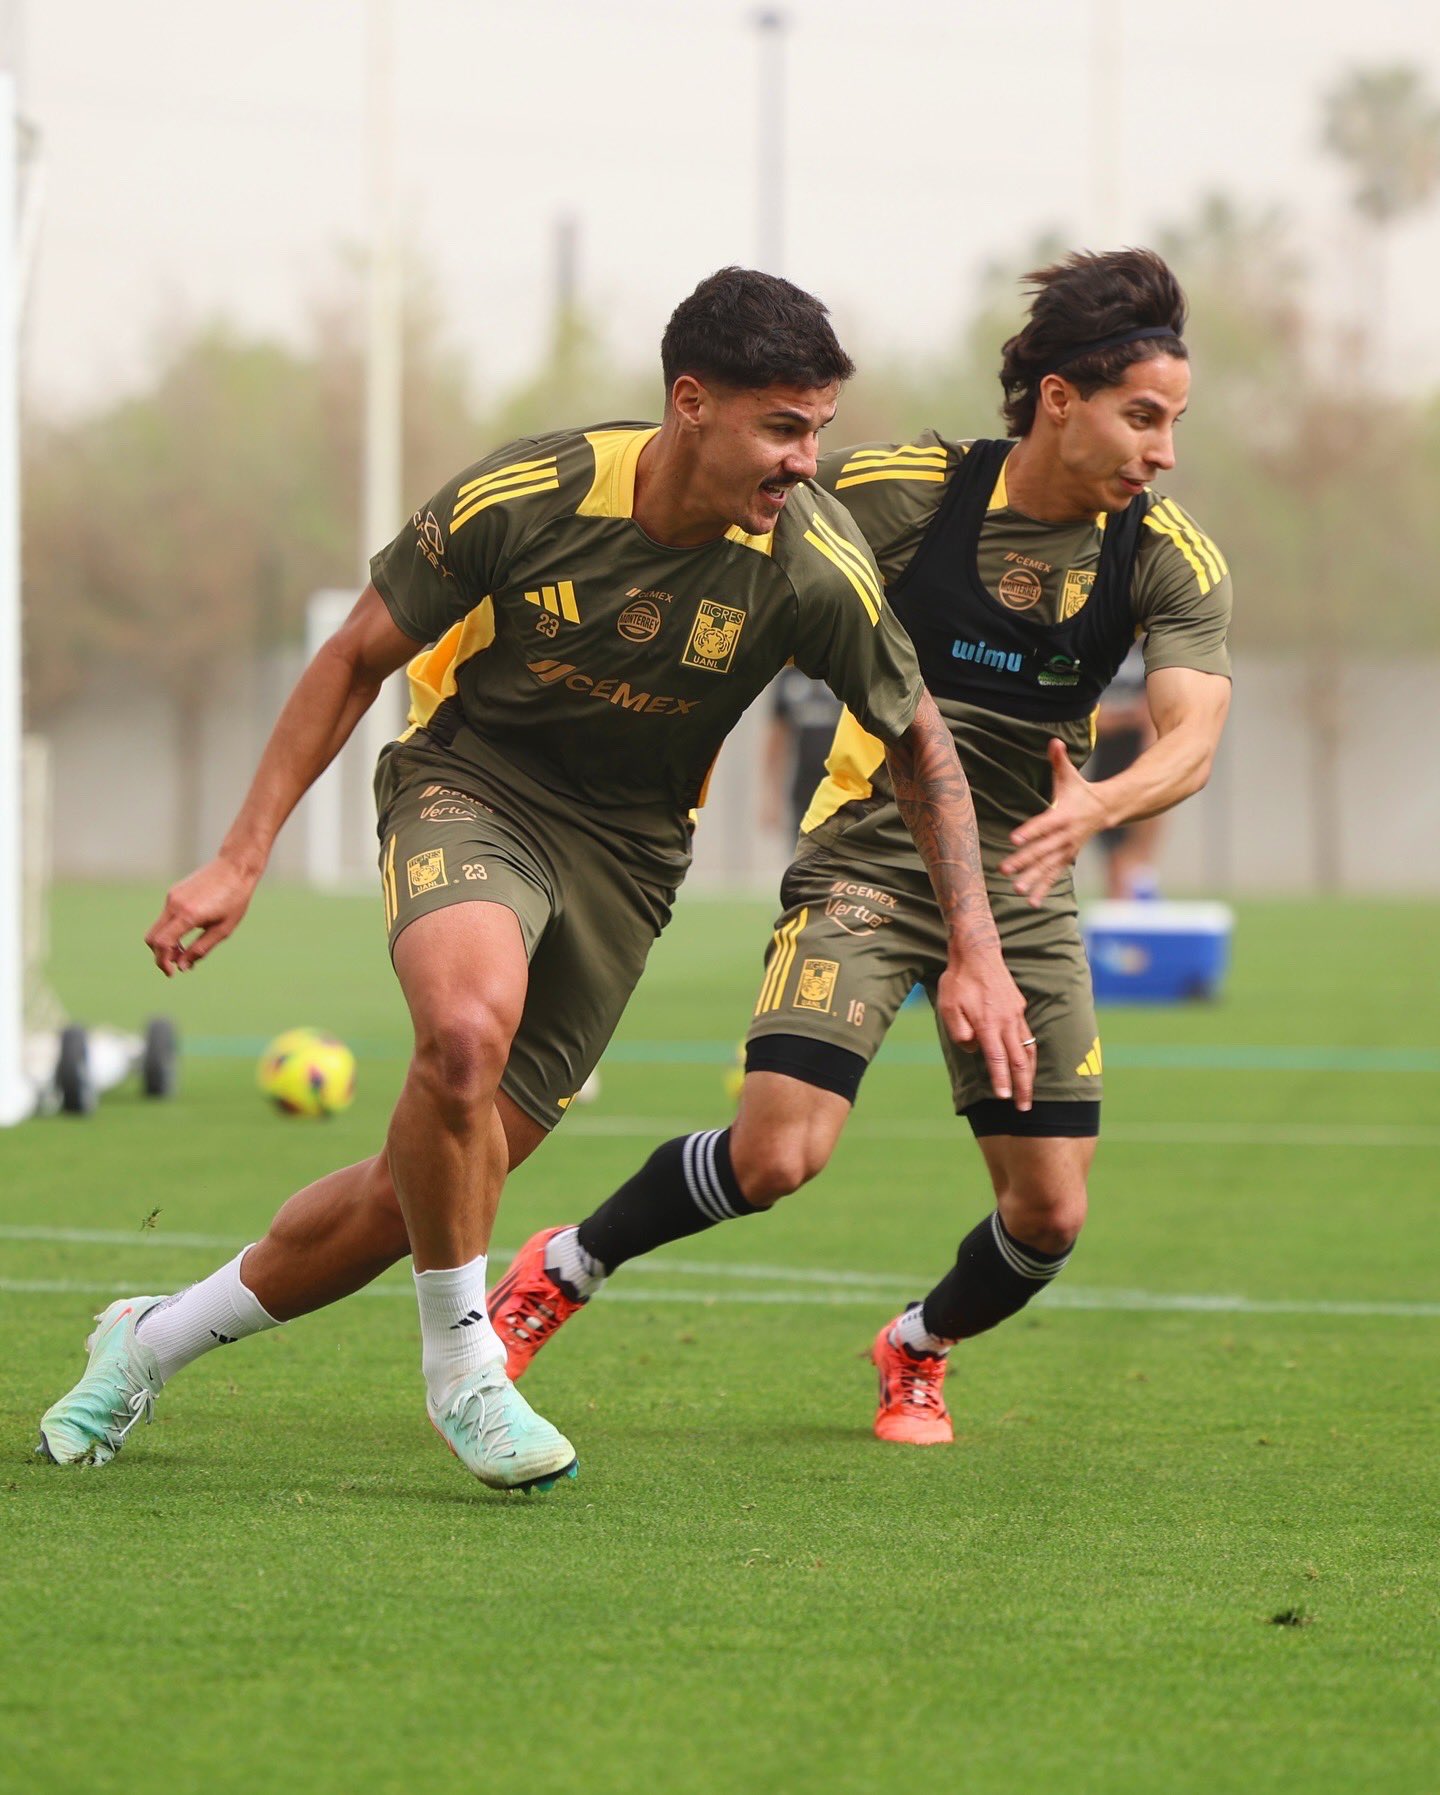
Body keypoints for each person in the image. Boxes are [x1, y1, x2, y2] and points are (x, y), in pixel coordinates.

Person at [36, 268, 1032, 1489]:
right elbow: (356, 656)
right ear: (691, 404)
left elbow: (923, 738)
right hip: (475, 784)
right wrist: (242, 856)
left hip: (629, 854)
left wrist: (976, 951)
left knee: (418, 1195)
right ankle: (467, 1371)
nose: (809, 462)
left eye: (820, 427)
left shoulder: (813, 565)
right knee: (462, 1033)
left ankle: (149, 1340)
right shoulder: (532, 495)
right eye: (784, 427)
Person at [485, 249, 1234, 1447]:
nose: (1164, 451)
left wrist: (1101, 805)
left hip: (1027, 890)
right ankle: (563, 1267)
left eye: (1175, 423)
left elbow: (1194, 734)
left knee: (1048, 1215)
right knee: (781, 1151)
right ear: (1059, 399)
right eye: (1143, 416)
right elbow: (742, 552)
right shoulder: (910, 494)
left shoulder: (1163, 554)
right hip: (871, 864)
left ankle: (917, 1347)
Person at [1089, 642, 1164, 897]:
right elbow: (1093, 719)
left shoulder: (1154, 651)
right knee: (1114, 852)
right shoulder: (1099, 648)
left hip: (1140, 761)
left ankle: (1140, 885)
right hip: (1106, 767)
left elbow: (1153, 714)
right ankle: (1119, 902)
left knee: (1142, 837)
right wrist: (1126, 718)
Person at [762, 666, 844, 842]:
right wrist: (772, 797)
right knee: (805, 856)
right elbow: (777, 738)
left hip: (844, 786)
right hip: (804, 788)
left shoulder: (847, 669)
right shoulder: (790, 677)